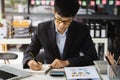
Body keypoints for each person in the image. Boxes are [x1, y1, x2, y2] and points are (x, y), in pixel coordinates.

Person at [23, 0, 98, 70]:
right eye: (58, 19)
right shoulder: (42, 28)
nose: (62, 25)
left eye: (67, 21)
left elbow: (92, 57)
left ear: (73, 17)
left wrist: (67, 62)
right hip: (49, 71)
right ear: (54, 11)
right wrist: (29, 61)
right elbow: (29, 52)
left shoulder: (82, 30)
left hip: (72, 71)